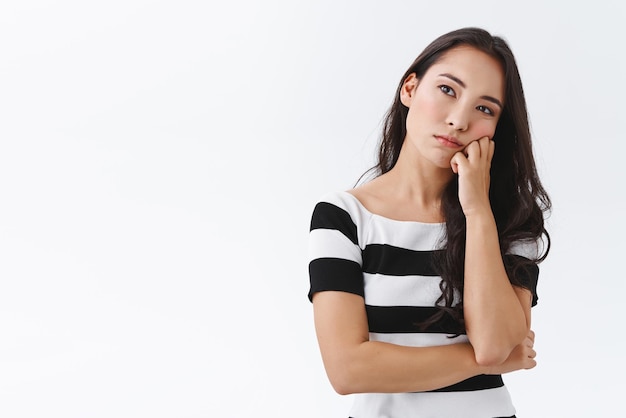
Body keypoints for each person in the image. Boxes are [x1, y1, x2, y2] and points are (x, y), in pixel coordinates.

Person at [307, 27, 551, 418]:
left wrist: (478, 212)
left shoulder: (512, 220)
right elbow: (347, 370)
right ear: (410, 89)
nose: (459, 120)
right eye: (448, 90)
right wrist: (482, 362)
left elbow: (494, 343)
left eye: (485, 109)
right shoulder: (342, 217)